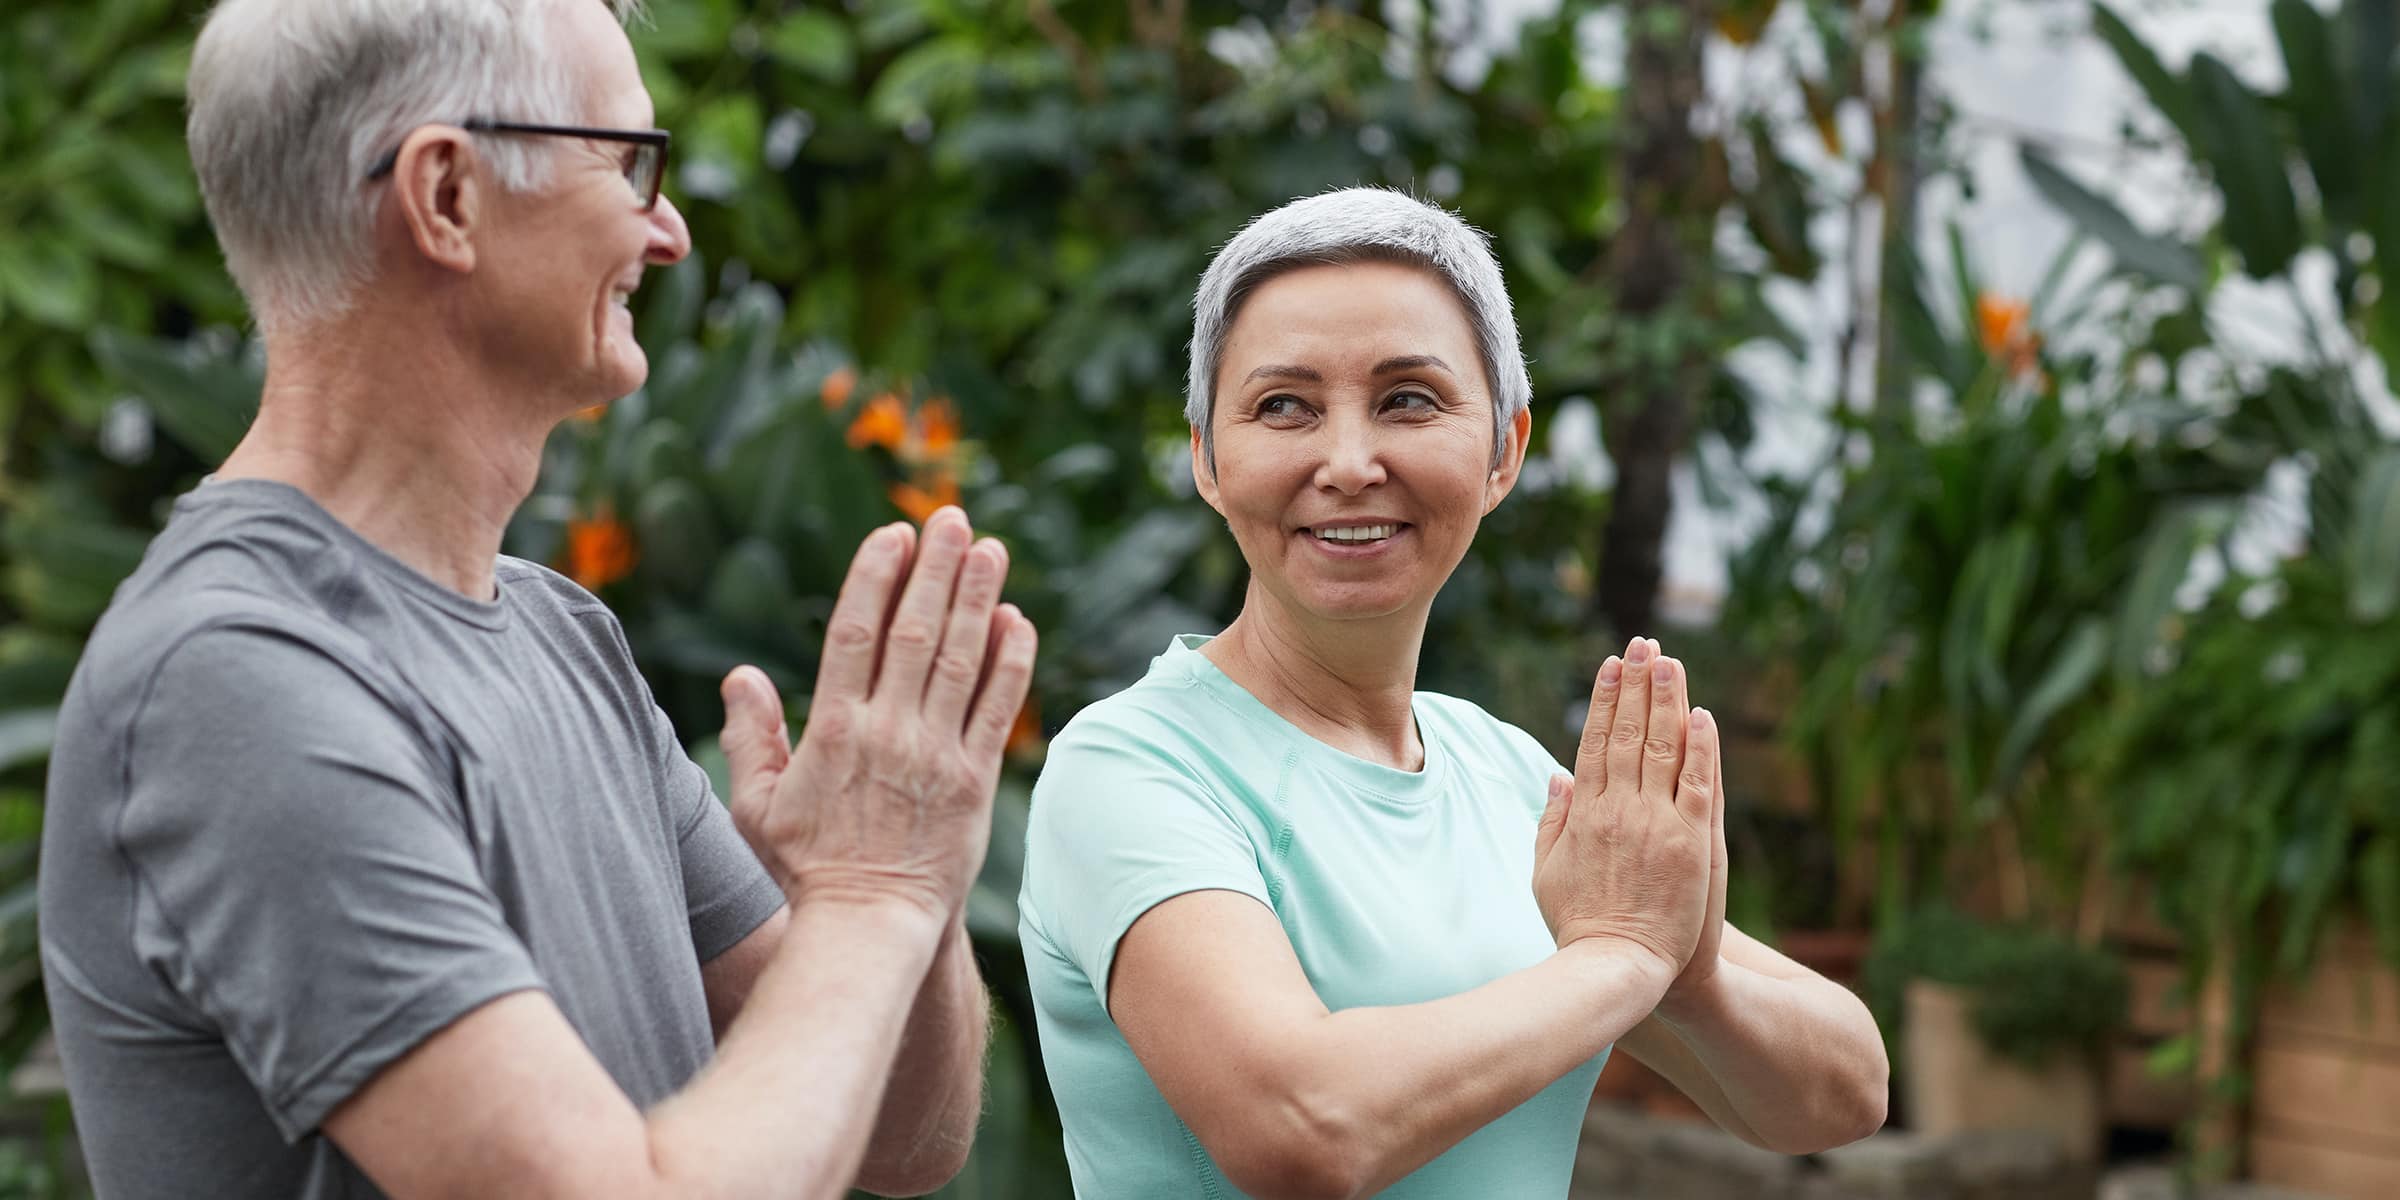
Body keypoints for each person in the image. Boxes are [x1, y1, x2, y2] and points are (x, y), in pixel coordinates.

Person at [36, 1, 1036, 1196]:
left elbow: (901, 1141)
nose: (665, 230)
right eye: (627, 162)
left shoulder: (566, 636)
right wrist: (876, 895)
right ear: (447, 197)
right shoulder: (233, 677)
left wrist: (871, 892)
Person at [1018, 187, 1889, 1199]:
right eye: (1284, 406)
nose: (1348, 464)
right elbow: (1300, 1125)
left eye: (1409, 400)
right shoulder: (1131, 768)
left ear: (1504, 451)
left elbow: (1846, 1089)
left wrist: (1687, 980)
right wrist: (1616, 960)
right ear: (1209, 458)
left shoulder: (1509, 778)